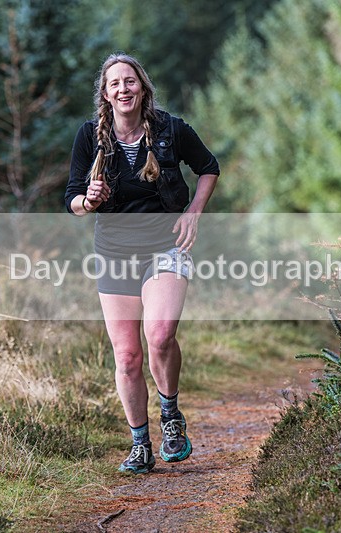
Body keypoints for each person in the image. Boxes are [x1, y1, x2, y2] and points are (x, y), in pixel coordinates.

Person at [64, 53, 220, 474]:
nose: (123, 89)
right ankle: (140, 444)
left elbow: (208, 167)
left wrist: (193, 213)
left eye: (130, 81)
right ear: (105, 94)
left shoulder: (171, 129)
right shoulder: (89, 136)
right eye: (114, 83)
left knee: (160, 334)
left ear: (142, 87)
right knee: (128, 356)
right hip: (114, 251)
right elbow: (72, 199)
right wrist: (87, 200)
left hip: (166, 246)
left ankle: (170, 416)